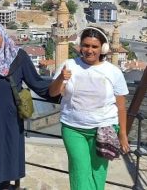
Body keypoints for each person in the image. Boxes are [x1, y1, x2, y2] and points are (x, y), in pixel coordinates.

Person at [0, 20, 54, 190]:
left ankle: (5, 182)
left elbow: (36, 82)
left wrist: (60, 88)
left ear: (2, 33)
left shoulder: (18, 56)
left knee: (5, 146)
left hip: (8, 113)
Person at [48, 27, 130, 190]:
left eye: (94, 46)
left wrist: (123, 135)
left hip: (104, 128)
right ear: (80, 46)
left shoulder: (113, 72)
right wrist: (60, 78)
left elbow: (121, 106)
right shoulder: (68, 65)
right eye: (86, 45)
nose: (89, 50)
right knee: (79, 171)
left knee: (98, 173)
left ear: (103, 48)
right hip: (73, 128)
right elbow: (53, 92)